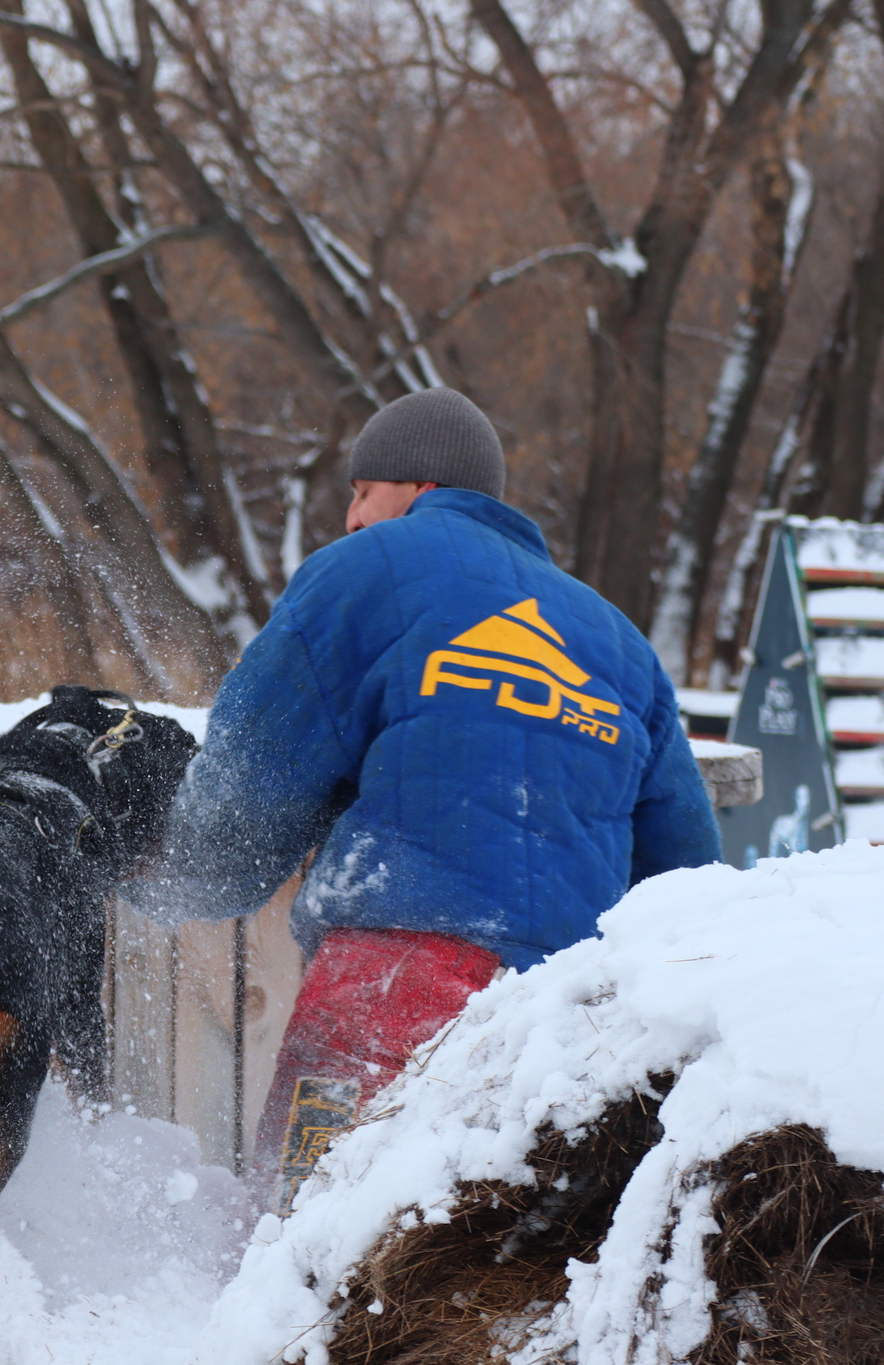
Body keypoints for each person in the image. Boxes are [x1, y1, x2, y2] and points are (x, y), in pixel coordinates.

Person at [135, 387, 719, 1211]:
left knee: (305, 1259)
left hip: (394, 989)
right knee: (499, 1286)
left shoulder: (364, 572)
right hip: (568, 1026)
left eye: (359, 491)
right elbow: (689, 879)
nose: (349, 516)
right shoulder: (620, 645)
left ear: (409, 484)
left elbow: (248, 781)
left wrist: (158, 878)